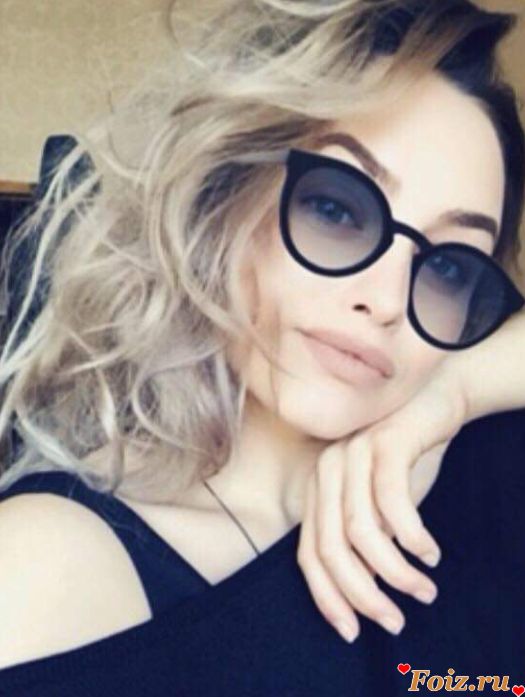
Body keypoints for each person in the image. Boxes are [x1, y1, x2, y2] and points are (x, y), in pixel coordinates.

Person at [0, 0, 524, 693]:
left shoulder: (483, 468)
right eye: (336, 208)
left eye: (450, 267)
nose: (388, 300)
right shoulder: (49, 568)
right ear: (223, 198)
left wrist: (452, 393)